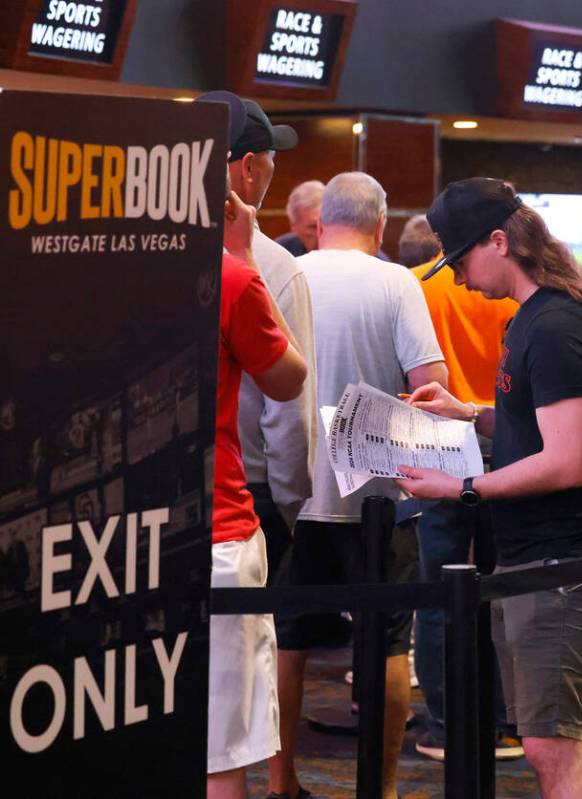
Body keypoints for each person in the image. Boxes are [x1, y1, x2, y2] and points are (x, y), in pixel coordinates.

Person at [397, 177, 582, 799]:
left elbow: (567, 461)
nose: (461, 277)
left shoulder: (553, 323)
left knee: (548, 743)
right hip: (542, 555)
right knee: (556, 736)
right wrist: (467, 411)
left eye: (463, 259)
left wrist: (462, 487)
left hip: (565, 556)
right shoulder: (539, 317)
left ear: (499, 242)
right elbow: (540, 417)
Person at [268, 172, 447, 799]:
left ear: (319, 224)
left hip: (294, 494)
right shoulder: (398, 281)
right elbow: (429, 387)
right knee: (388, 643)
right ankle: (385, 788)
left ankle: (281, 780)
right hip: (380, 497)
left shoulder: (285, 273)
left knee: (284, 642)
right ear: (381, 228)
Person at [197, 88, 309, 799]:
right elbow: (287, 381)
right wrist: (242, 256)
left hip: (117, 537)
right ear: (240, 172)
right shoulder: (241, 273)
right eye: (268, 158)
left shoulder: (102, 253)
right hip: (220, 528)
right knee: (222, 749)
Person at [408, 239, 523, 762]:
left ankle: (446, 728)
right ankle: (509, 722)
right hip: (507, 441)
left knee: (438, 593)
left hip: (438, 446)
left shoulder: (416, 285)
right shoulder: (513, 288)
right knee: (507, 591)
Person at [227, 98, 317, 582]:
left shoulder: (140, 248)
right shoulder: (272, 266)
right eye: (270, 158)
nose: (272, 169)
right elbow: (288, 407)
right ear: (247, 168)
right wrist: (292, 505)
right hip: (247, 494)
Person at [276, 179, 324, 256]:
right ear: (294, 226)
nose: (323, 232)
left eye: (327, 224)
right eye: (314, 227)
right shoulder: (281, 251)